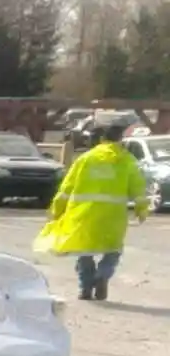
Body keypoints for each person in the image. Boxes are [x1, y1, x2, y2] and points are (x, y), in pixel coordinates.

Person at [37, 123, 149, 301]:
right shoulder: (127, 161)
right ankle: (103, 276)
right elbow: (138, 188)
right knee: (113, 250)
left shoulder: (85, 159)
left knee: (84, 250)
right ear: (120, 140)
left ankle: (85, 287)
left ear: (102, 139)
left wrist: (56, 209)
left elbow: (67, 187)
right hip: (113, 215)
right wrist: (142, 210)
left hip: (83, 213)